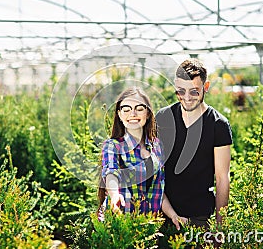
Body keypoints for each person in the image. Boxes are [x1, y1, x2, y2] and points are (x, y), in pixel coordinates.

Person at [156, 58, 233, 229]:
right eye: (180, 92)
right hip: (162, 214)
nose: (186, 98)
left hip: (199, 217)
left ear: (206, 87)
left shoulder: (218, 124)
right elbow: (154, 170)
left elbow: (222, 178)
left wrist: (220, 226)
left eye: (194, 92)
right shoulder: (163, 118)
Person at [98, 86, 184, 229]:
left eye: (139, 108)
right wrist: (114, 195)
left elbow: (158, 190)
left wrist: (173, 215)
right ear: (119, 114)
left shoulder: (156, 146)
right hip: (120, 225)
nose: (133, 113)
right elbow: (111, 173)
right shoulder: (113, 146)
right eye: (126, 109)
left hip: (148, 226)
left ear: (148, 113)